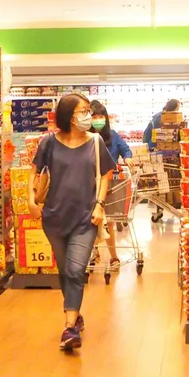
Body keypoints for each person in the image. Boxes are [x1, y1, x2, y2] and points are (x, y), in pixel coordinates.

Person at [28, 93, 115, 351]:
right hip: (54, 217)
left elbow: (106, 175)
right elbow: (34, 174)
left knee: (77, 270)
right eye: (82, 111)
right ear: (68, 116)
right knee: (65, 271)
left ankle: (68, 328)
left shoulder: (96, 142)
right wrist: (32, 202)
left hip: (85, 217)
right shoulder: (49, 143)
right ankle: (75, 314)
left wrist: (99, 205)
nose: (88, 116)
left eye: (88, 110)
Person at [90, 100, 132, 272]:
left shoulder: (112, 136)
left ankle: (113, 256)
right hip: (89, 184)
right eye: (94, 116)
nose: (98, 119)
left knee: (110, 223)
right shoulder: (83, 136)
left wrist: (128, 157)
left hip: (111, 184)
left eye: (101, 116)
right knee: (91, 222)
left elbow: (125, 149)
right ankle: (94, 253)